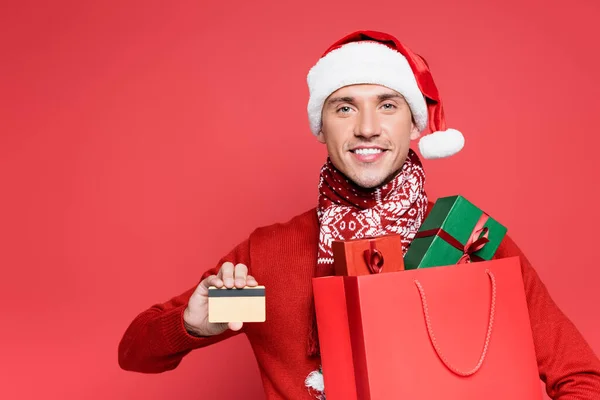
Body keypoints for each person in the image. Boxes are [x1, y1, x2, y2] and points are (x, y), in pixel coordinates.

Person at [118, 30, 600, 399]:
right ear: (319, 126)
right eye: (344, 107)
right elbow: (135, 353)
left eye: (387, 105)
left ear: (413, 123)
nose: (367, 128)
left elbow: (580, 376)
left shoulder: (470, 240)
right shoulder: (267, 259)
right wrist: (192, 324)